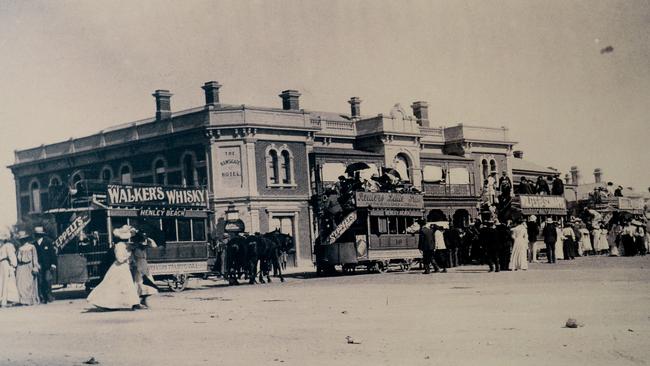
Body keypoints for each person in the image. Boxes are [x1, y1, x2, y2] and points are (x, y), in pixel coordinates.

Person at [87, 225, 141, 310]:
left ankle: (133, 303)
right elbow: (120, 258)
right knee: (116, 285)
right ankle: (133, 303)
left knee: (124, 285)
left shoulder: (124, 245)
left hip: (123, 267)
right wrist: (127, 255)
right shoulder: (120, 246)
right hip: (120, 267)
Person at [130, 230, 158, 308]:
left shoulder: (143, 247)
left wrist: (148, 238)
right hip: (138, 266)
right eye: (140, 239)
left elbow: (154, 245)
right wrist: (135, 265)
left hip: (144, 265)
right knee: (139, 284)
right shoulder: (133, 248)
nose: (141, 241)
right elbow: (132, 258)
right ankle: (135, 303)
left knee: (149, 284)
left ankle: (143, 300)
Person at [15, 231, 40, 305]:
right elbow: (17, 259)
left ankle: (29, 300)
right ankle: (22, 300)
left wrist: (35, 267)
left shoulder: (32, 247)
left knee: (29, 284)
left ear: (26, 239)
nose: (22, 241)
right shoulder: (19, 248)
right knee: (20, 284)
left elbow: (35, 258)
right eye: (21, 239)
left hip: (29, 267)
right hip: (20, 267)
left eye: (23, 239)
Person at [33, 226, 57, 304]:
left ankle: (49, 296)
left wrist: (53, 264)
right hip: (39, 265)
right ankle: (42, 297)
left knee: (47, 280)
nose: (38, 236)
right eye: (37, 234)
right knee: (40, 282)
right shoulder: (34, 244)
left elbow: (53, 254)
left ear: (43, 234)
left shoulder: (48, 242)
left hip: (48, 265)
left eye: (40, 234)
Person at [0, 231, 19, 307]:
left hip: (5, 264)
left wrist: (13, 265)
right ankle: (3, 299)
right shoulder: (3, 246)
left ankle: (6, 300)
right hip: (2, 264)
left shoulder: (8, 246)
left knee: (6, 281)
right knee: (2, 281)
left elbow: (12, 256)